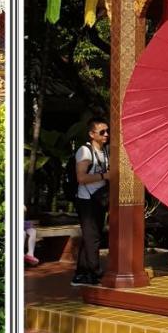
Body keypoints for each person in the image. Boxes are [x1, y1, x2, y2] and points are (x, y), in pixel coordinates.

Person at [72, 117, 110, 287]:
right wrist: (104, 176)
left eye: (107, 131)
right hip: (87, 200)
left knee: (91, 236)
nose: (106, 135)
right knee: (92, 237)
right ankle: (95, 271)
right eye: (102, 132)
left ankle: (81, 274)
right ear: (91, 134)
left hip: (100, 199)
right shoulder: (85, 151)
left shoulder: (106, 151)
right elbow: (81, 177)